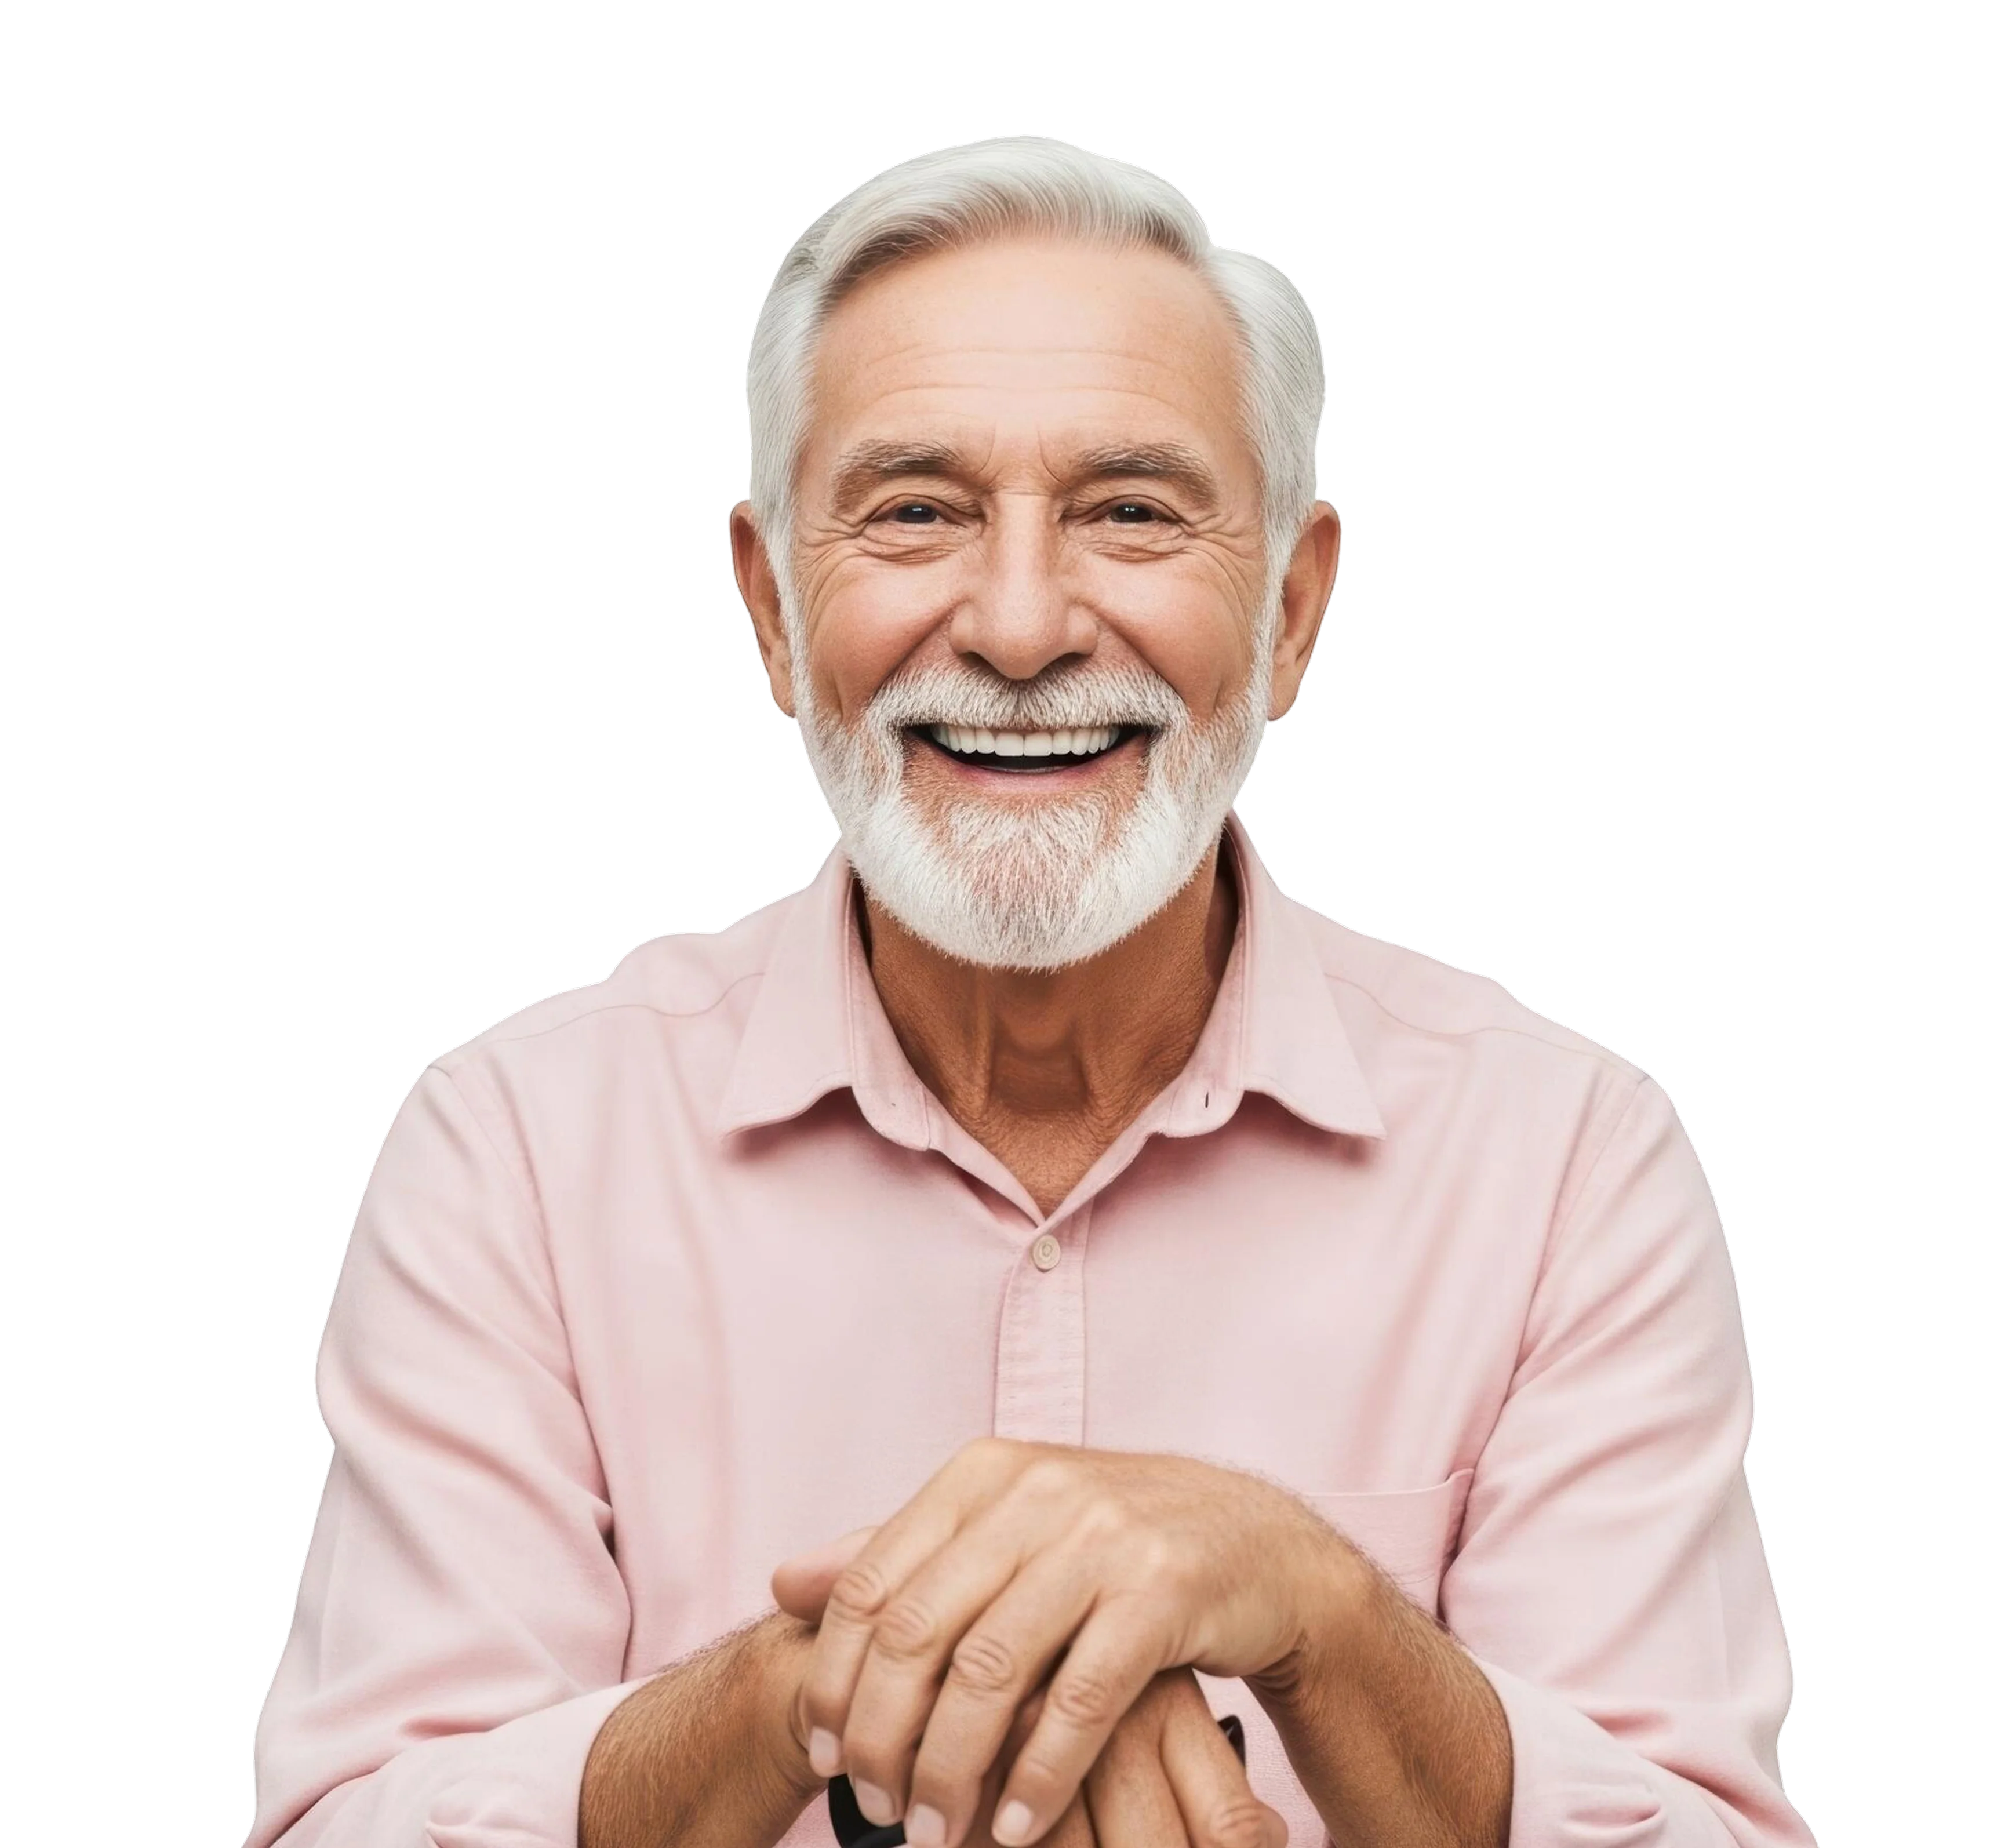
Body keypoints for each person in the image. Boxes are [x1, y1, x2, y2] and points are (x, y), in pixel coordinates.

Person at [245, 136, 1817, 1848]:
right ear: (771, 609)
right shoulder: (518, 1147)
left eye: (1129, 510)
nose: (1011, 623)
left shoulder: (1567, 1155)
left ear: (1291, 609)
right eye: (914, 509)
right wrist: (818, 1687)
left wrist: (1318, 1608)